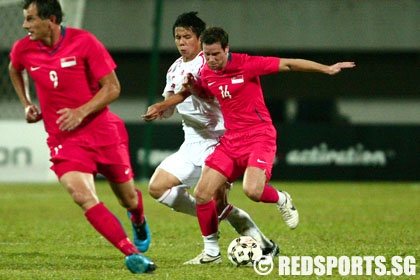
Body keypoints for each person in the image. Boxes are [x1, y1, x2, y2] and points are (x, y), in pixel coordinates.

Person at [178, 26, 356, 263]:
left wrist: (327, 68)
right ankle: (211, 253)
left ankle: (282, 199)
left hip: (259, 136)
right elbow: (208, 93)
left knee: (253, 191)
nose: (211, 60)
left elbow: (289, 64)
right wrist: (194, 86)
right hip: (231, 140)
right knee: (202, 194)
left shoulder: (247, 64)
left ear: (227, 49)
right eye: (207, 55)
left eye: (216, 55)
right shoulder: (207, 72)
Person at [8, 0, 155, 274]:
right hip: (64, 139)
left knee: (129, 199)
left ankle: (137, 219)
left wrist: (81, 111)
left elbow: (112, 88)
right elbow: (14, 69)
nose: (24, 25)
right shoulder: (23, 48)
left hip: (103, 132)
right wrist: (26, 103)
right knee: (81, 195)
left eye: (30, 19)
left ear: (50, 19)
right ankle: (131, 253)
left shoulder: (85, 42)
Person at [143, 12, 279, 264]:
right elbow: (173, 102)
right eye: (177, 37)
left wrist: (164, 104)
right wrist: (163, 109)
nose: (182, 42)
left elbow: (189, 94)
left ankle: (255, 244)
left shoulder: (210, 65)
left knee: (214, 201)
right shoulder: (174, 68)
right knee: (157, 188)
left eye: (187, 37)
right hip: (191, 141)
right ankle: (218, 216)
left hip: (219, 139)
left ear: (200, 39)